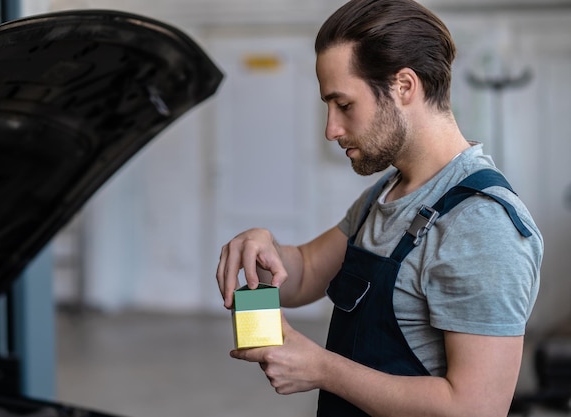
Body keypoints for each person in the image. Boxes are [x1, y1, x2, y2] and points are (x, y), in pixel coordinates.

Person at [215, 0, 543, 416]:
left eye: (344, 105)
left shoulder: (480, 223)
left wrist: (322, 369)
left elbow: (476, 408)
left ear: (404, 86)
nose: (331, 129)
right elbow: (307, 272)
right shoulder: (388, 193)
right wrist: (263, 249)